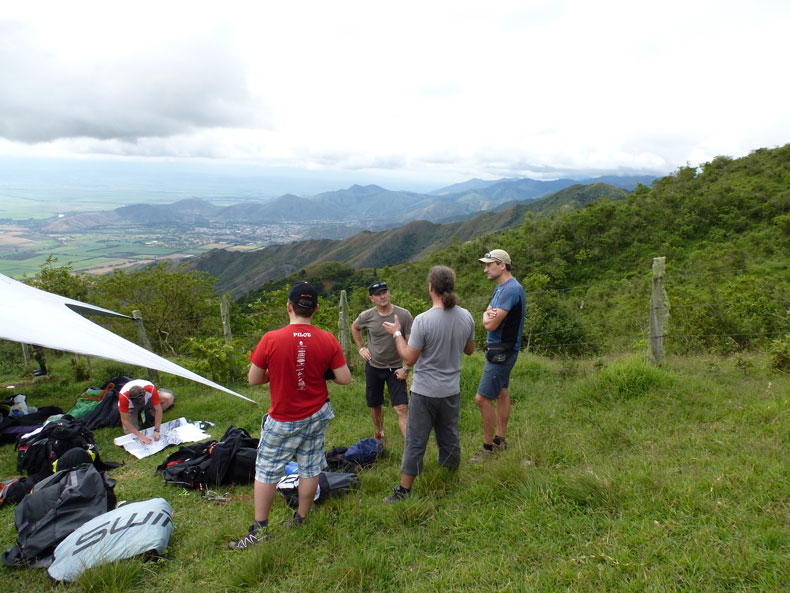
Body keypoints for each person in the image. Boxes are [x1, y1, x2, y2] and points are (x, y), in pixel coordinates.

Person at [230, 281, 351, 549]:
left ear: (288, 307)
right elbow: (345, 378)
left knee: (266, 470)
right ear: (316, 309)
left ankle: (260, 531)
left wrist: (280, 372)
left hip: (284, 417)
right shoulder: (328, 339)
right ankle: (301, 518)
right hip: (317, 414)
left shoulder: (271, 339)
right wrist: (319, 372)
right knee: (310, 467)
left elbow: (253, 379)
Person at [381, 266, 475, 502]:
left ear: (431, 288)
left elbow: (408, 358)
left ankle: (403, 491)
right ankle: (450, 477)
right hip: (451, 390)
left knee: (415, 439)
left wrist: (396, 334)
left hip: (424, 392)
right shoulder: (467, 316)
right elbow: (470, 349)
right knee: (449, 435)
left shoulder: (423, 320)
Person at [470, 249, 526, 463]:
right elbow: (488, 311)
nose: (485, 269)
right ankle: (500, 440)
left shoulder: (510, 290)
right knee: (502, 393)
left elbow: (490, 323)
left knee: (481, 398)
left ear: (502, 265)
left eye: (489, 265)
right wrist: (487, 315)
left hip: (501, 352)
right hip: (503, 349)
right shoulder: (502, 288)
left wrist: (486, 318)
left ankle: (488, 449)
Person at [351, 281, 414, 440]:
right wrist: (361, 348)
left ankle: (410, 446)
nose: (382, 296)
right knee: (375, 404)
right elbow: (355, 328)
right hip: (373, 366)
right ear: (372, 298)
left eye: (384, 292)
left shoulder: (404, 315)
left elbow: (412, 343)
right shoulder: (367, 316)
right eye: (378, 294)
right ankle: (380, 434)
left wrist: (406, 368)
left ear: (389, 292)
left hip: (396, 368)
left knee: (401, 407)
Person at [118, 379, 175, 445]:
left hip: (148, 400)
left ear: (145, 393)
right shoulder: (123, 397)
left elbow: (158, 410)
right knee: (131, 434)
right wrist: (140, 435)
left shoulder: (150, 389)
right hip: (131, 407)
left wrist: (157, 430)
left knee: (168, 398)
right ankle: (140, 418)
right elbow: (125, 420)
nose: (140, 404)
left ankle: (151, 417)